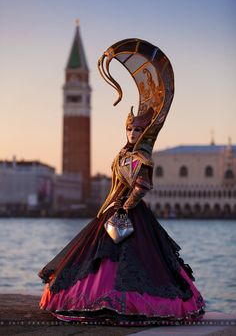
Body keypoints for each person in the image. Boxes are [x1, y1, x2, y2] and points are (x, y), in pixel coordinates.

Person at [38, 38, 206, 325]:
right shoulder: (123, 153)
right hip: (111, 209)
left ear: (145, 131)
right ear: (126, 129)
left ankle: (129, 303)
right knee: (96, 260)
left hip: (130, 213)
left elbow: (142, 186)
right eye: (130, 129)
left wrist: (125, 207)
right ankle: (92, 299)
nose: (133, 133)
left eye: (138, 129)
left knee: (138, 262)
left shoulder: (143, 157)